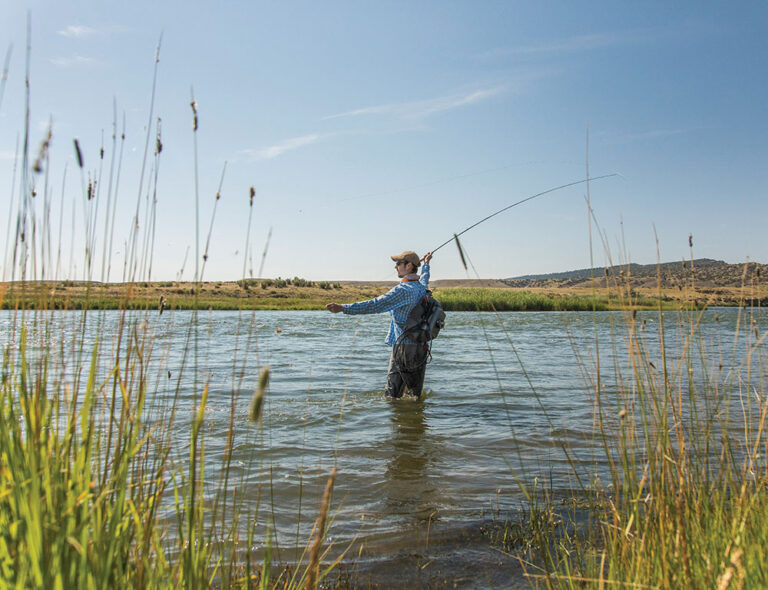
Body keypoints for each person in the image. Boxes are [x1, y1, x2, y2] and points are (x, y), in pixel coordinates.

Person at [327, 250, 433, 399]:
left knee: (392, 396)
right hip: (420, 347)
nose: (395, 267)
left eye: (398, 263)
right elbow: (425, 278)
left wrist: (343, 308)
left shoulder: (403, 290)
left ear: (409, 266)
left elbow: (375, 305)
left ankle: (395, 413)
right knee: (414, 395)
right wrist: (426, 264)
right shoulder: (421, 287)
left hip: (404, 349)